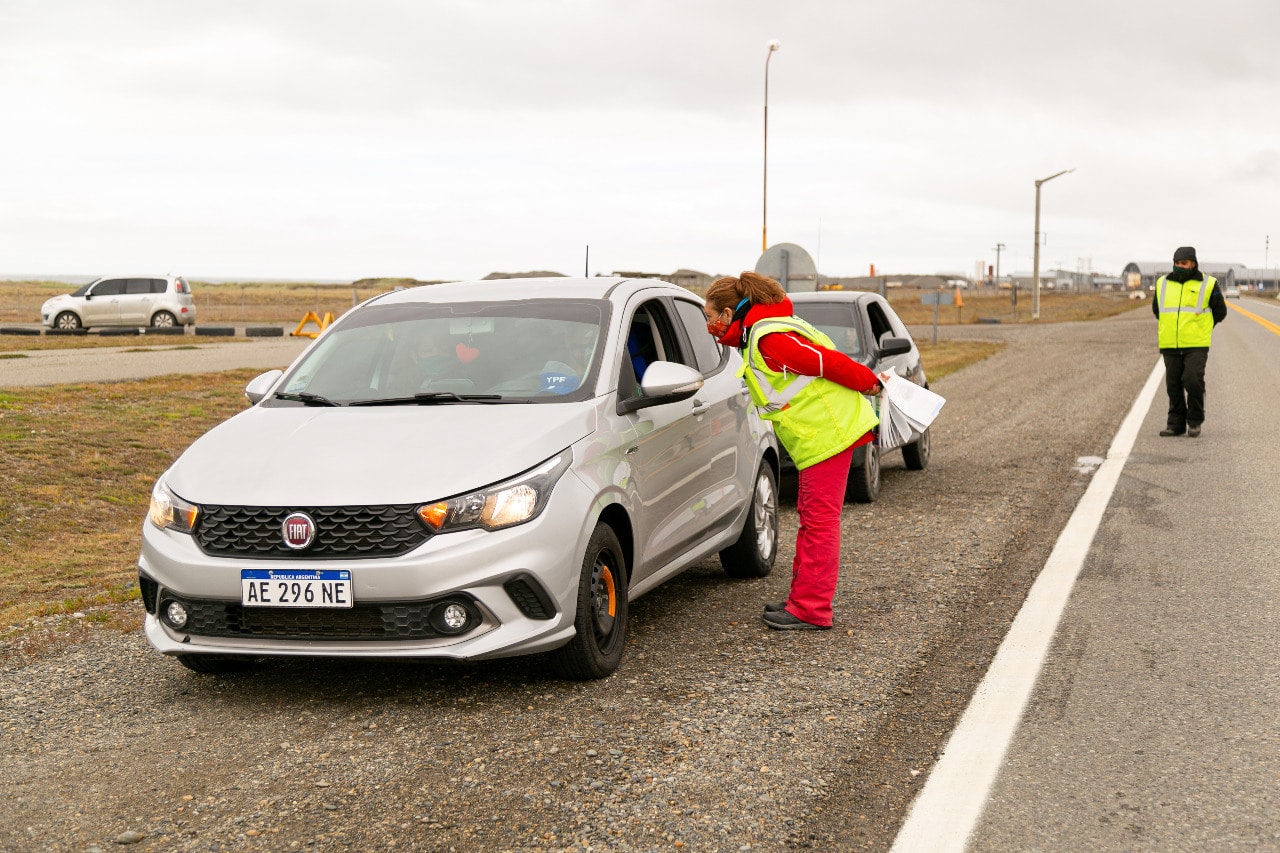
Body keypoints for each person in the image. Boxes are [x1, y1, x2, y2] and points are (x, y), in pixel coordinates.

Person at [703, 271, 882, 630]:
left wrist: (871, 383)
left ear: (727, 314)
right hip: (819, 434)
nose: (709, 326)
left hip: (828, 433)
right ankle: (801, 598)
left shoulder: (770, 339)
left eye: (710, 318)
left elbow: (829, 363)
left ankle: (812, 609)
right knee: (811, 515)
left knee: (819, 521)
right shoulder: (761, 331)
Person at [1152, 247, 1226, 437]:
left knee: (1192, 379)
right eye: (1177, 263)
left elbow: (1220, 311)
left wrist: (1203, 327)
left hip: (1196, 343)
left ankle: (1194, 420)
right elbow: (1157, 309)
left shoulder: (1208, 284)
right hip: (1170, 343)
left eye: (1183, 263)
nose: (1179, 266)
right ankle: (1175, 424)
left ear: (1193, 263)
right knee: (1173, 384)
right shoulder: (1162, 283)